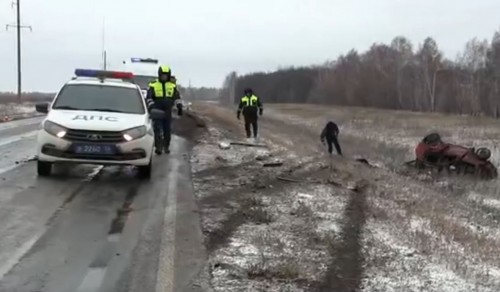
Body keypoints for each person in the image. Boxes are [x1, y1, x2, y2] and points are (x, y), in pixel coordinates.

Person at [146, 65, 183, 155]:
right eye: (163, 75)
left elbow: (177, 97)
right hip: (157, 110)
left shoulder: (172, 86)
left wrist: (179, 107)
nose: (164, 77)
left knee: (167, 130)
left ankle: (166, 146)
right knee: (157, 129)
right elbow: (149, 98)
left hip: (168, 110)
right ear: (159, 75)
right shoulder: (153, 85)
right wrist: (151, 107)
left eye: (166, 75)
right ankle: (158, 147)